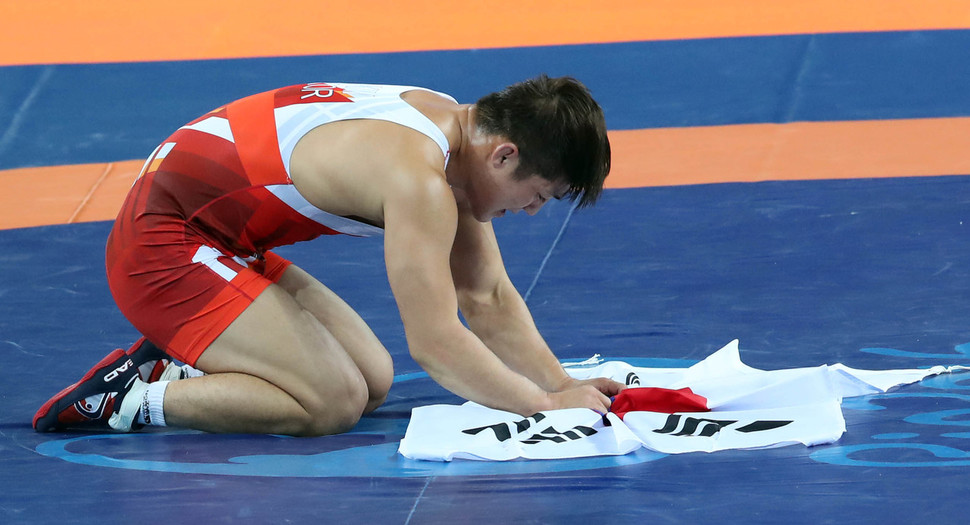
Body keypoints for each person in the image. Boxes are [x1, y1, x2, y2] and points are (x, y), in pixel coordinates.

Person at [33, 75, 622, 437]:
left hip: (221, 238)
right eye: (539, 194)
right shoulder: (417, 177)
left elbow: (486, 296)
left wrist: (561, 382)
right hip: (163, 246)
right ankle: (127, 398)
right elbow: (437, 343)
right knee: (331, 402)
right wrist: (544, 406)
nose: (533, 211)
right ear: (504, 155)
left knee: (373, 379)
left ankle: (180, 356)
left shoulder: (455, 129)